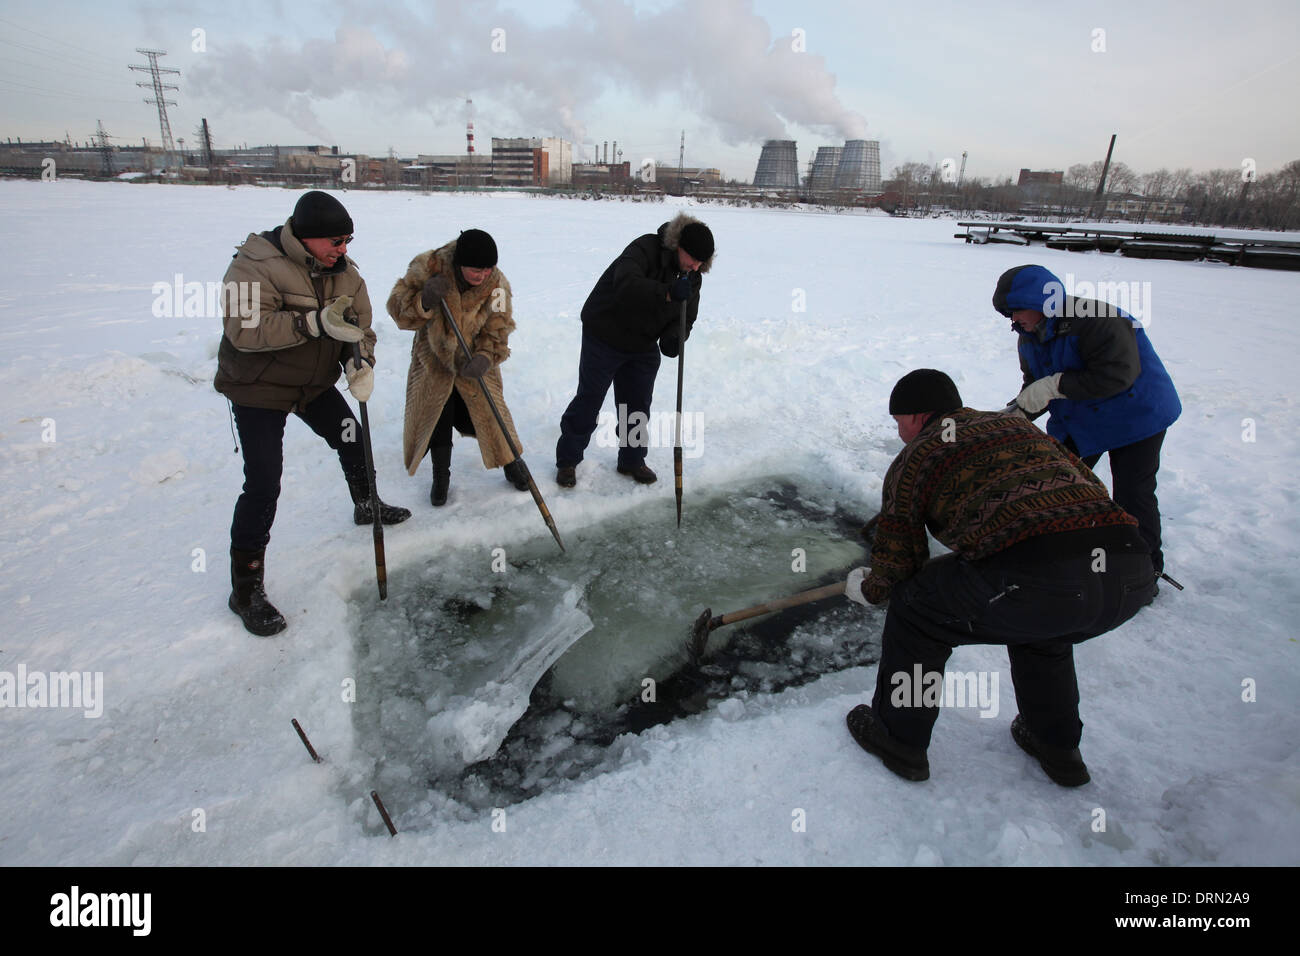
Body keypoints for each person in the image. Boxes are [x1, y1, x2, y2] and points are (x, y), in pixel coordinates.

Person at [843, 369, 1155, 786]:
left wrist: (869, 588)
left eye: (899, 422)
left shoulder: (917, 455)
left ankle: (898, 738)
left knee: (915, 610)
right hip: (1128, 570)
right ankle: (1057, 747)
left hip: (1043, 575)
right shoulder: (1013, 425)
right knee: (1042, 622)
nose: (900, 433)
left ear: (917, 417)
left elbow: (900, 567)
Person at [215, 190, 410, 637]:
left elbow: (360, 328)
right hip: (258, 387)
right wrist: (313, 322)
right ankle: (245, 589)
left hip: (313, 384)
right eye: (335, 242)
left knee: (351, 438)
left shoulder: (345, 274)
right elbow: (244, 330)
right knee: (263, 483)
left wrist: (360, 360)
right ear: (305, 237)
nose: (343, 250)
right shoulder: (253, 264)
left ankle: (367, 503)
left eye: (347, 241)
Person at [993, 264, 1181, 579]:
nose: (1013, 320)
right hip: (1080, 419)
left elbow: (1117, 374)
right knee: (1050, 481)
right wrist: (1015, 415)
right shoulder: (1028, 335)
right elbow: (1036, 386)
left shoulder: (1098, 319)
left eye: (1016, 310)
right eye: (1007, 314)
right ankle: (1053, 553)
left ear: (1042, 303)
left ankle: (1145, 571)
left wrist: (1054, 386)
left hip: (1137, 416)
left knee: (1133, 492)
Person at [554, 213, 715, 487]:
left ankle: (632, 460)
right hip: (605, 332)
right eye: (691, 258)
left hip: (642, 342)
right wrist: (667, 293)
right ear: (678, 245)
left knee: (637, 404)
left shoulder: (692, 276)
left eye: (701, 263)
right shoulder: (644, 248)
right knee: (590, 399)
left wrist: (675, 337)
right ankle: (568, 460)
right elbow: (626, 284)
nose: (695, 266)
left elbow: (686, 317)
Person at [386, 229, 527, 506]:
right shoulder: (429, 269)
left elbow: (499, 324)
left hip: (473, 358)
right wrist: (423, 300)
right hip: (433, 361)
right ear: (460, 263)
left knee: (491, 411)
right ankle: (441, 477)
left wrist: (487, 356)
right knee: (438, 414)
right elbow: (398, 311)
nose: (483, 275)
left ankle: (511, 461)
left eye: (488, 269)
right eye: (477, 270)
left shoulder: (496, 285)